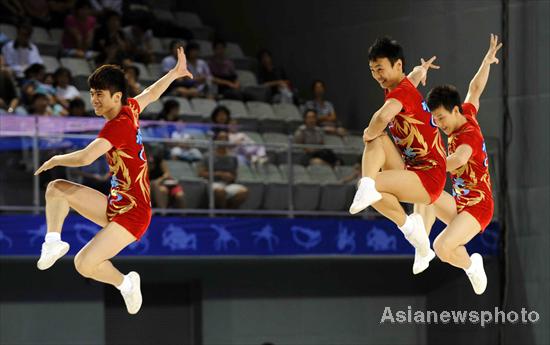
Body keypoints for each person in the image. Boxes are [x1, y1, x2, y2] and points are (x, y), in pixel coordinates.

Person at [33, 46, 193, 314]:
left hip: (134, 214)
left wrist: (56, 159)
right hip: (116, 203)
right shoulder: (129, 108)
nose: (94, 99)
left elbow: (86, 158)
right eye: (92, 93)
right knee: (56, 189)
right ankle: (53, 242)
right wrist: (174, 73)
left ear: (116, 96)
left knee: (83, 264)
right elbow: (151, 94)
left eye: (99, 94)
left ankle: (125, 282)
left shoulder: (118, 125)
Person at [414, 34, 502, 295]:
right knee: (424, 190)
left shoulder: (469, 135)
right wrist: (486, 61)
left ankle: (472, 265)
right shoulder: (467, 112)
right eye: (435, 120)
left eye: (441, 118)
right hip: (460, 204)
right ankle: (420, 246)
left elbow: (459, 160)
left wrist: (433, 163)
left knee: (443, 247)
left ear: (454, 111)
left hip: (478, 208)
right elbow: (475, 89)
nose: (439, 125)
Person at [348, 37, 443, 262]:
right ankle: (411, 227)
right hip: (411, 169)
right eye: (372, 70)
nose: (377, 76)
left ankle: (411, 229)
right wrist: (422, 69)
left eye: (380, 69)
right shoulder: (401, 85)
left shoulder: (402, 92)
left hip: (429, 178)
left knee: (372, 168)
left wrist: (367, 133)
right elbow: (414, 76)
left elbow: (382, 116)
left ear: (397, 65)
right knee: (378, 142)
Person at [198, 131, 248, 209]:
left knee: (243, 192)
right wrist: (219, 174)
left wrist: (231, 177)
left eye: (225, 138)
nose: (223, 140)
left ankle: (230, 211)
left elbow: (235, 175)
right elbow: (201, 173)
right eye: (220, 138)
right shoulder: (207, 156)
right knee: (220, 191)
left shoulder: (233, 157)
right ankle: (223, 214)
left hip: (228, 184)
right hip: (212, 183)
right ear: (215, 141)